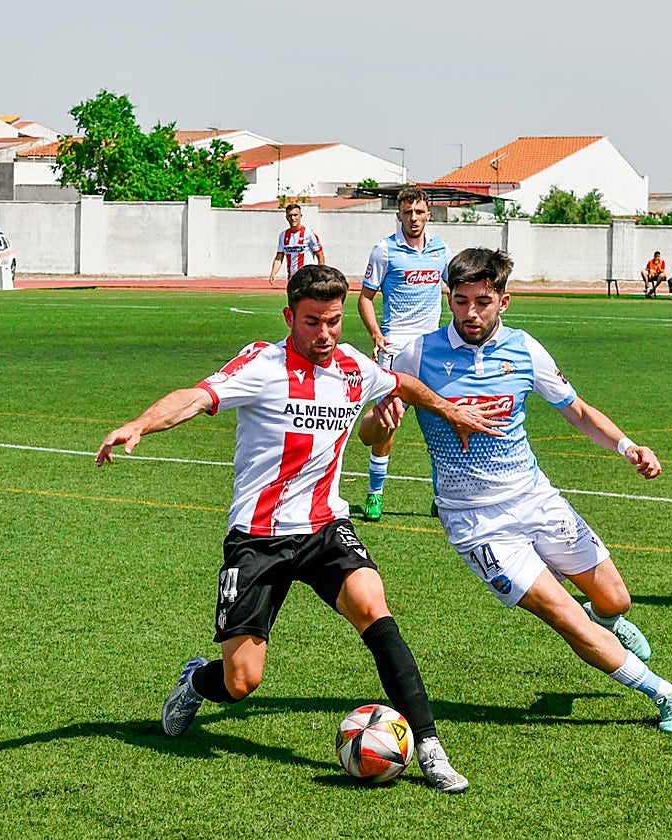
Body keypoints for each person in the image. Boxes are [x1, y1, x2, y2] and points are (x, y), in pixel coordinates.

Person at [96, 264, 504, 793]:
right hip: (258, 536)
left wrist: (449, 411)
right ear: (290, 317)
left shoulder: (353, 366)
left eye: (333, 321)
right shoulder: (261, 363)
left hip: (324, 526)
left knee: (374, 608)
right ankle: (195, 681)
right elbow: (195, 397)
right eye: (312, 322)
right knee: (242, 680)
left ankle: (429, 747)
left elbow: (400, 383)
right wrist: (139, 424)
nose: (325, 334)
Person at [360, 247, 672, 736]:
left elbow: (577, 411)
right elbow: (370, 434)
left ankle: (608, 624)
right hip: (476, 522)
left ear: (504, 301)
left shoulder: (524, 349)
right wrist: (380, 421)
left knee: (615, 601)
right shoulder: (418, 354)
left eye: (482, 302)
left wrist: (628, 446)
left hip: (535, 498)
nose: (470, 313)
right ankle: (664, 693)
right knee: (566, 617)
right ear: (448, 299)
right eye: (460, 301)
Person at [357, 186, 453, 522]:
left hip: (433, 350)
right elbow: (365, 298)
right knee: (389, 421)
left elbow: (456, 288)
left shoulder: (441, 250)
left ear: (429, 214)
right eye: (408, 212)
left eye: (419, 212)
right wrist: (376, 334)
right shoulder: (384, 250)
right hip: (395, 348)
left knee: (442, 421)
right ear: (398, 214)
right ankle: (375, 494)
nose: (414, 218)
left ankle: (442, 496)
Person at [268, 204, 324, 287]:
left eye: (295, 215)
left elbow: (320, 255)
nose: (293, 218)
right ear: (286, 217)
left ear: (300, 216)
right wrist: (273, 273)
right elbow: (279, 257)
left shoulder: (309, 233)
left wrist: (320, 274)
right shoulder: (283, 235)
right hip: (292, 278)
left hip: (308, 278)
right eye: (290, 215)